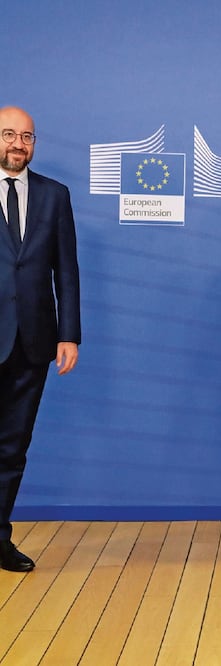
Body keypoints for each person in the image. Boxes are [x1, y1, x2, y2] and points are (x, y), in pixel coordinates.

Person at [0, 106, 80, 573]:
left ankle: (0, 538)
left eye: (26, 137)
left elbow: (64, 269)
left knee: (12, 448)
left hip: (33, 343)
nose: (18, 144)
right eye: (8, 134)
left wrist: (68, 334)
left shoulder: (55, 195)